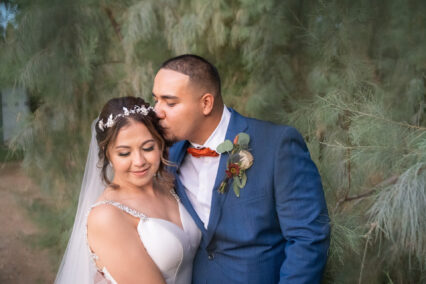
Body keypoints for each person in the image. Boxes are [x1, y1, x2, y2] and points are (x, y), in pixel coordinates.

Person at [152, 54, 330, 283]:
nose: (157, 112)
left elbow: (308, 238)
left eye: (170, 102)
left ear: (206, 103)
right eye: (155, 99)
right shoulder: (166, 156)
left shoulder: (276, 145)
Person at [55, 96, 201, 284]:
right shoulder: (107, 216)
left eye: (148, 148)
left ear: (160, 144)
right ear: (108, 154)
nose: (139, 161)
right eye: (124, 153)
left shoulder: (168, 184)